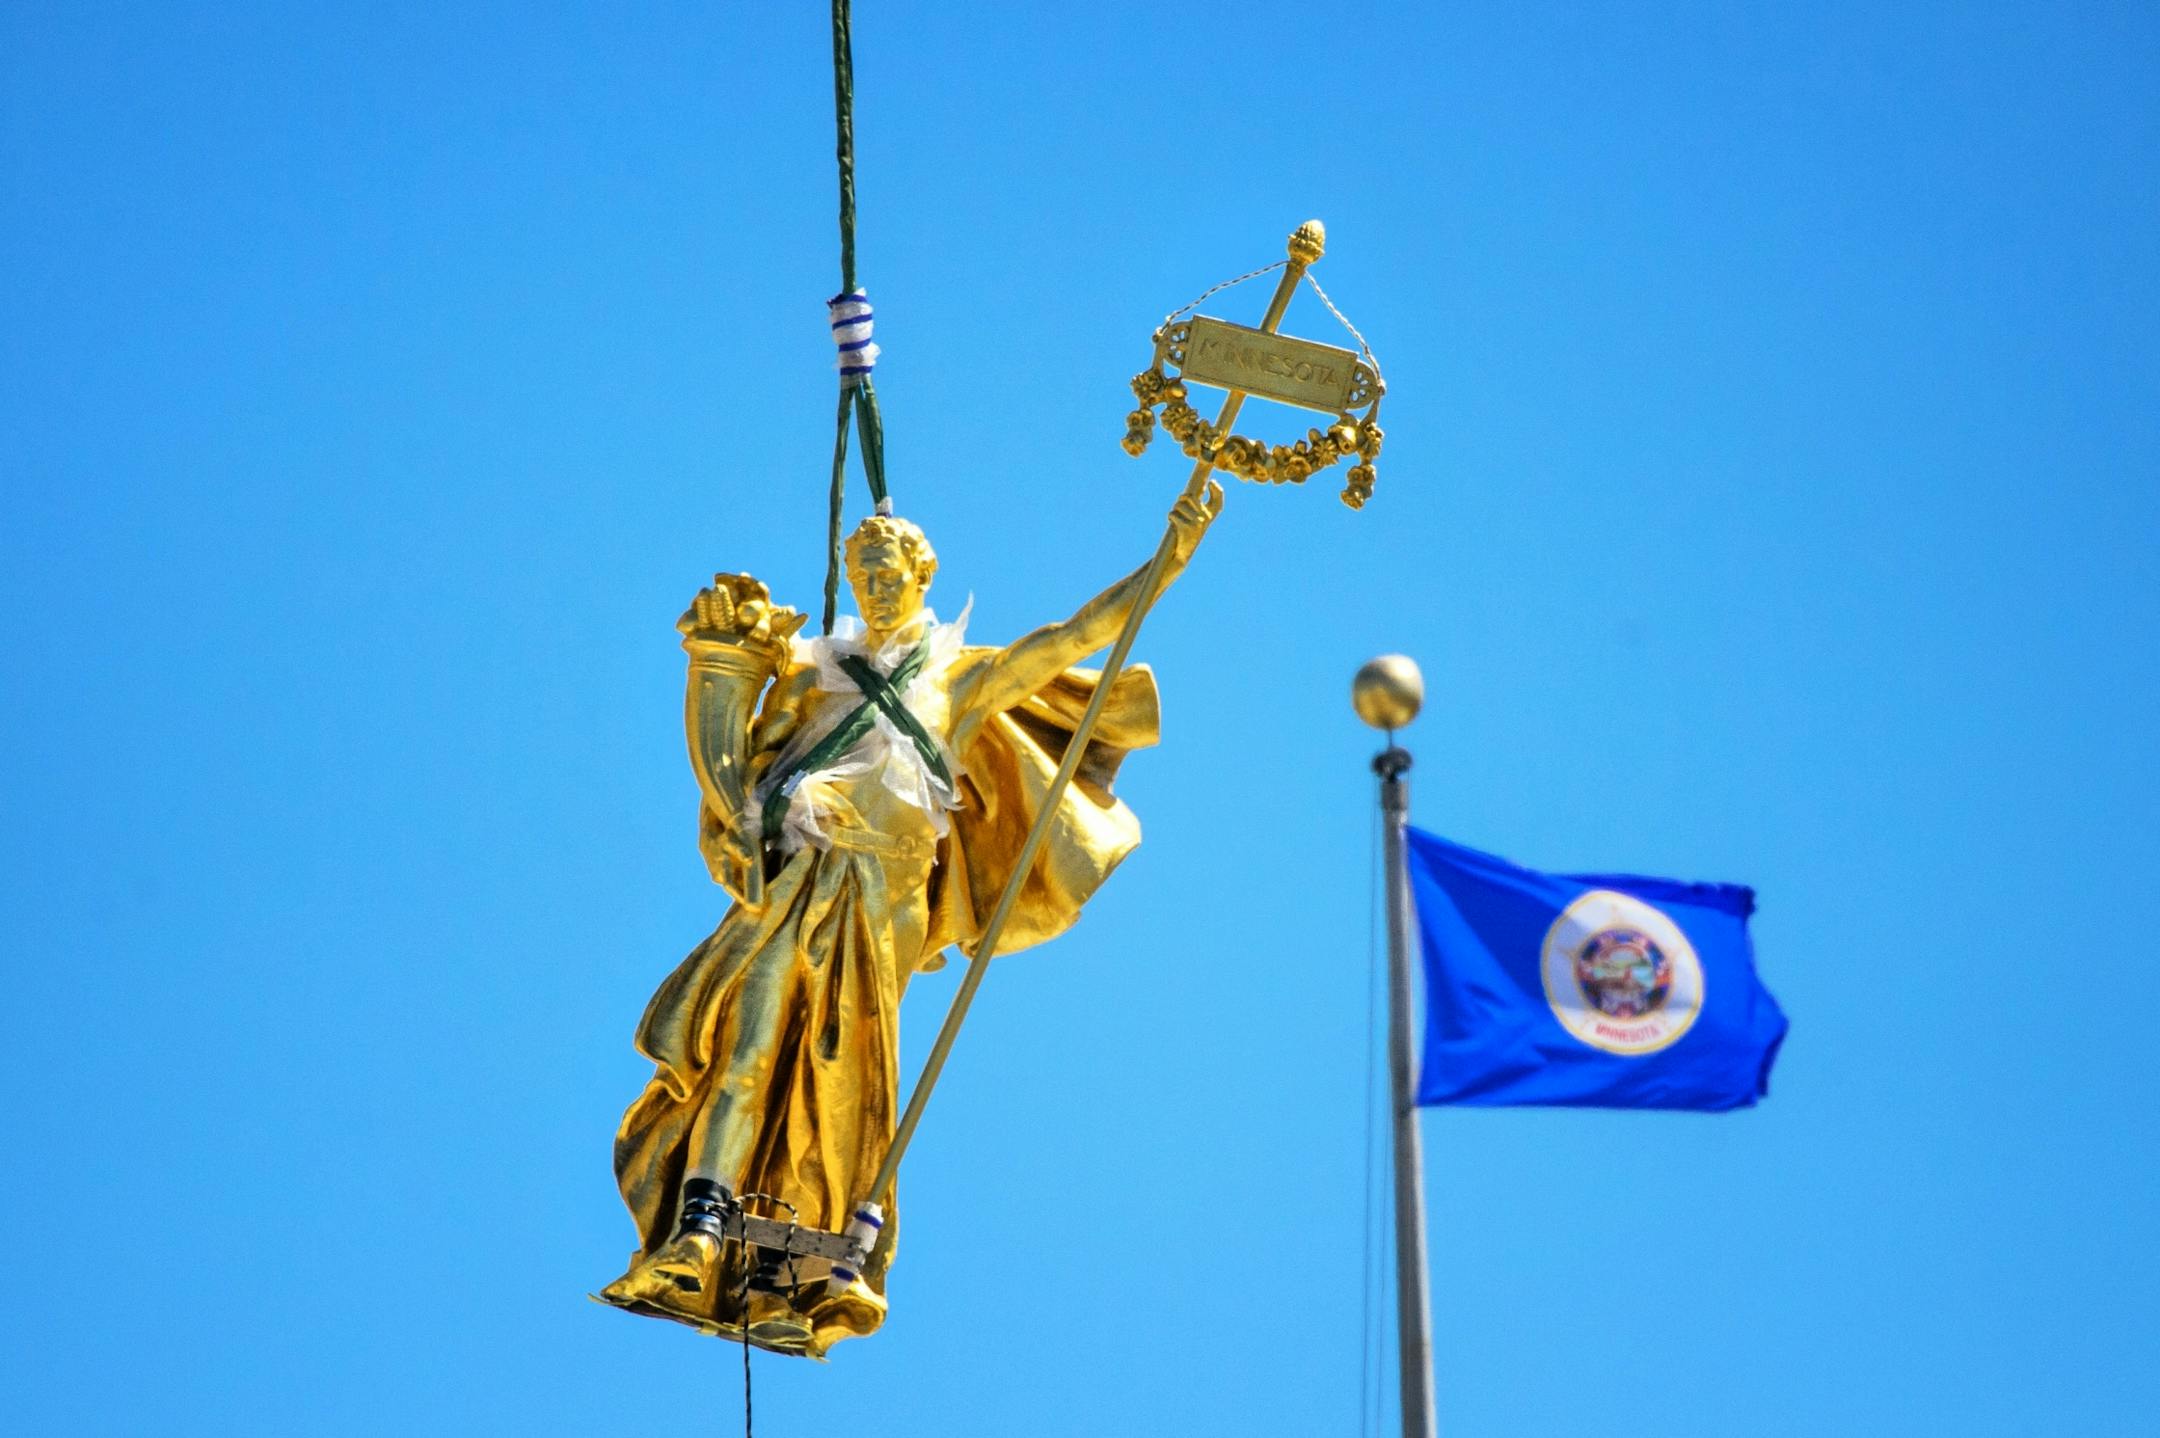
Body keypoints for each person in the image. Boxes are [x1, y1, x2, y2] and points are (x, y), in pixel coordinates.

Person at [599, 482, 1223, 1355]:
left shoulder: (961, 676)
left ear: (923, 574)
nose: (875, 583)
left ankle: (785, 1276)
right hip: (800, 887)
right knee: (745, 1051)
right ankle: (698, 1236)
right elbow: (741, 783)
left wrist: (1168, 559)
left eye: (889, 568)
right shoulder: (817, 672)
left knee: (829, 1088)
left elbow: (1073, 639)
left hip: (883, 902)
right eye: (863, 570)